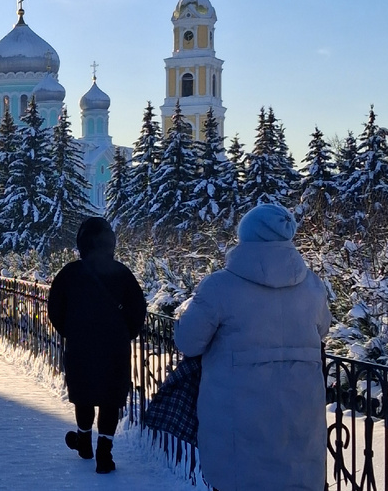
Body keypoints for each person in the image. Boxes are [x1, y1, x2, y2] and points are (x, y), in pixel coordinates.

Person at [174, 203, 330, 491]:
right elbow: (323, 330)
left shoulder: (219, 287)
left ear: (245, 237)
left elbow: (188, 341)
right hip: (299, 419)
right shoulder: (313, 287)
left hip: (237, 428)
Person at [48, 217, 146, 474]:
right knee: (109, 399)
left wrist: (71, 331)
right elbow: (138, 310)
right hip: (114, 347)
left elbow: (55, 310)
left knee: (84, 395)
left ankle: (84, 442)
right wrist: (125, 334)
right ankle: (105, 453)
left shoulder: (70, 273)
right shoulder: (122, 273)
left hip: (81, 346)